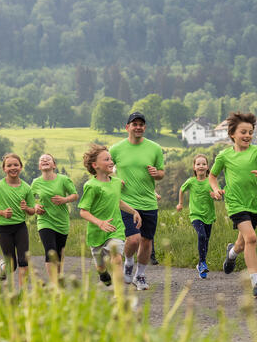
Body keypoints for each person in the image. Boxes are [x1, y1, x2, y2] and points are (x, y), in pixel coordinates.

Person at [209, 112, 257, 299]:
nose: (247, 135)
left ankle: (231, 253)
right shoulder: (224, 156)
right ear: (232, 133)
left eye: (250, 132)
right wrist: (216, 190)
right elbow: (212, 176)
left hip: (254, 204)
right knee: (252, 238)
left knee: (243, 243)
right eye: (243, 132)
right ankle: (256, 283)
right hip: (235, 203)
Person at [109, 112, 164, 291]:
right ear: (127, 127)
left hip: (148, 201)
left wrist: (157, 174)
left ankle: (140, 275)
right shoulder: (116, 149)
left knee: (147, 241)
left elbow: (162, 173)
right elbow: (106, 169)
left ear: (144, 127)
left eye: (141, 124)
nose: (138, 127)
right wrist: (114, 180)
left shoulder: (154, 148)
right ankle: (129, 262)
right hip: (127, 202)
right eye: (135, 124)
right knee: (133, 239)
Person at [78, 144, 142, 287]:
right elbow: (83, 211)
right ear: (95, 165)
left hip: (116, 228)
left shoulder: (117, 183)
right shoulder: (91, 186)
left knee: (117, 259)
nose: (111, 162)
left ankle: (118, 295)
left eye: (111, 159)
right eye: (106, 159)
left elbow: (117, 201)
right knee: (100, 266)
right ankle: (103, 274)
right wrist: (100, 223)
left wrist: (134, 211)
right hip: (96, 232)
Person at [0, 153, 35, 287]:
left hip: (20, 227)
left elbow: (32, 211)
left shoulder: (26, 187)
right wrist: (1, 212)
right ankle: (2, 268)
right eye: (9, 165)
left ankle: (23, 295)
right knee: (11, 266)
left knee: (24, 261)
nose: (13, 167)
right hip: (4, 229)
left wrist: (26, 208)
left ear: (21, 167)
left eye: (16, 165)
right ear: (4, 169)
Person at [31, 154, 78, 284]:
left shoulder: (63, 179)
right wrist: (35, 206)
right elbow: (28, 199)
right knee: (50, 251)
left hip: (62, 221)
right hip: (45, 220)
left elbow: (75, 195)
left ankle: (58, 278)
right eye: (42, 160)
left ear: (54, 165)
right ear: (39, 166)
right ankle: (54, 284)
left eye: (48, 159)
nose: (45, 160)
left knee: (58, 253)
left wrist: (64, 200)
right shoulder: (36, 182)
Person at [176, 154, 216, 279]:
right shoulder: (191, 181)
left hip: (209, 215)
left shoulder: (211, 181)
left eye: (203, 164)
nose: (201, 166)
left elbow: (216, 192)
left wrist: (215, 195)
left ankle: (200, 264)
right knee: (201, 235)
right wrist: (181, 203)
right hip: (195, 214)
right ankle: (203, 263)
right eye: (198, 164)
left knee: (206, 240)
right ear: (194, 167)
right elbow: (182, 189)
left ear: (207, 166)